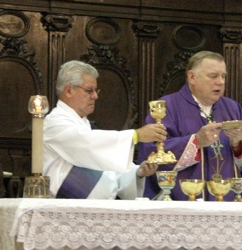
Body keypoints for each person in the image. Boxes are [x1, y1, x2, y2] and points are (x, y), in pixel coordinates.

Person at [138, 51, 242, 201]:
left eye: (223, 76)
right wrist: (196, 141)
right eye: (213, 76)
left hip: (227, 202)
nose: (220, 82)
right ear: (192, 77)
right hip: (182, 203)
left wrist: (238, 144)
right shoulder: (167, 107)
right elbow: (152, 152)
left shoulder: (231, 108)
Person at [43, 60, 165, 199]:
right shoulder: (55, 123)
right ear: (69, 90)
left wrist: (138, 173)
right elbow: (86, 145)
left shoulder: (86, 126)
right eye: (89, 90)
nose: (95, 96)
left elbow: (106, 169)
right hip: (65, 207)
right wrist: (135, 135)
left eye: (96, 90)